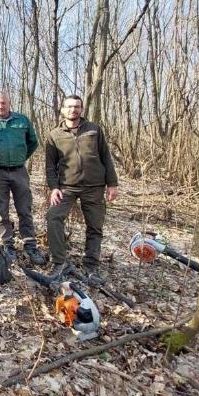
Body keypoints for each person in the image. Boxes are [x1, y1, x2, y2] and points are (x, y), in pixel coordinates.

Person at [44, 94, 118, 286]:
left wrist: (112, 184)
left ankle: (91, 267)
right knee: (53, 217)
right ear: (62, 109)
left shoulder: (94, 130)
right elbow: (50, 166)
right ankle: (59, 262)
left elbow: (106, 157)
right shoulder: (54, 135)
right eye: (69, 106)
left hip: (94, 187)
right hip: (66, 187)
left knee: (95, 227)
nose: (73, 110)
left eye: (77, 106)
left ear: (82, 109)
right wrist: (54, 188)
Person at [0, 92, 45, 266]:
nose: (0, 107)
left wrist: (21, 156)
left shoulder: (22, 120)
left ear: (9, 103)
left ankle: (30, 245)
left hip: (19, 171)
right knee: (2, 212)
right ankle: (8, 245)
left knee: (24, 209)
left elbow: (32, 143)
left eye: (3, 103)